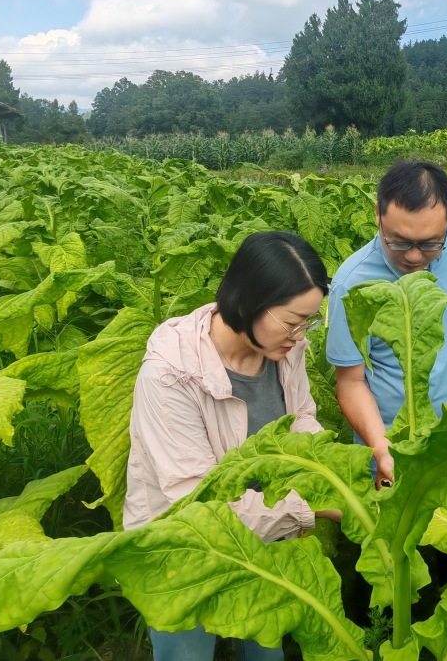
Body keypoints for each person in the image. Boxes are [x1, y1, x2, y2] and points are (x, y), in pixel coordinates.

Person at [124, 231, 339, 661]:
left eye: (308, 322)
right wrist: (311, 509)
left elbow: (301, 419)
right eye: (292, 321)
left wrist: (335, 476)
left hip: (265, 534)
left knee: (266, 650)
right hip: (183, 548)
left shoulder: (283, 349)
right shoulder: (170, 376)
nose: (300, 335)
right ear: (249, 302)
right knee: (186, 654)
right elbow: (194, 501)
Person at [327, 161, 447, 487]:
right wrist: (380, 448)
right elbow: (350, 382)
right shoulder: (352, 284)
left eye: (430, 243)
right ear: (378, 214)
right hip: (394, 447)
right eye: (399, 242)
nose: (415, 256)